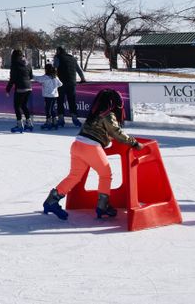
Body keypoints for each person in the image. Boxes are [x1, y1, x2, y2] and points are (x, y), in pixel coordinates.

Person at [43, 89, 142, 220]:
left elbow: (102, 131)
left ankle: (51, 200)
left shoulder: (94, 113)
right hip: (91, 147)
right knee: (105, 174)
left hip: (77, 145)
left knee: (74, 176)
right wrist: (134, 143)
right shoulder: (108, 114)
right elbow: (116, 132)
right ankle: (103, 206)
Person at [53, 45, 87, 128]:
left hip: (61, 83)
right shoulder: (72, 58)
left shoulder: (58, 57)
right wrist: (83, 79)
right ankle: (75, 119)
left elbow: (55, 68)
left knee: (60, 100)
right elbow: (79, 70)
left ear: (58, 51)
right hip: (72, 82)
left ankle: (61, 119)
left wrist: (52, 77)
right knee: (72, 100)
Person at [5, 49, 34, 132]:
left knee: (17, 106)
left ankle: (20, 125)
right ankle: (29, 123)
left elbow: (12, 79)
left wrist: (8, 89)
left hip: (21, 88)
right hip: (29, 87)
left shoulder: (15, 64)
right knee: (24, 105)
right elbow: (31, 76)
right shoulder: (27, 63)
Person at [35, 64, 63, 130]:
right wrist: (54, 87)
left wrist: (31, 75)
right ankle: (55, 122)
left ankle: (48, 122)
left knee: (48, 109)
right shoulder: (55, 77)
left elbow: (38, 79)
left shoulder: (45, 77)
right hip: (54, 95)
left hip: (48, 96)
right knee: (52, 109)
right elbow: (60, 84)